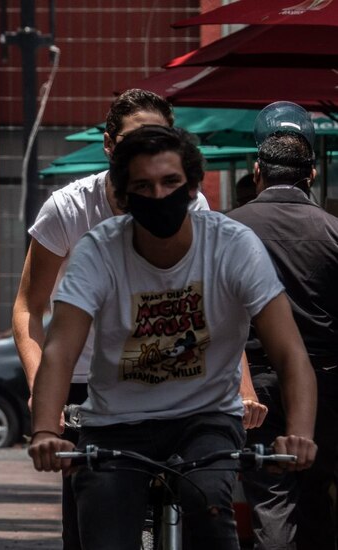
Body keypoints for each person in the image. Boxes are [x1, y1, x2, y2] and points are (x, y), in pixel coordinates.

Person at [28, 125, 318, 550]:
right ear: (122, 197)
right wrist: (43, 432)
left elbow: (290, 353)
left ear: (193, 187)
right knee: (100, 521)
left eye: (171, 182)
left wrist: (299, 433)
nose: (159, 195)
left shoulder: (234, 246)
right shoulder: (97, 251)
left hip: (205, 417)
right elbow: (60, 351)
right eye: (143, 186)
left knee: (210, 505)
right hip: (115, 424)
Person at [12, 89, 226, 549]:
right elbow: (29, 307)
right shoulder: (68, 209)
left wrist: (241, 388)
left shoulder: (193, 206)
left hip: (168, 374)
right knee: (92, 520)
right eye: (135, 140)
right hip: (85, 381)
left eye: (159, 139)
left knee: (206, 497)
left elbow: (217, 307)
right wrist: (40, 393)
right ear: (109, 145)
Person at [228, 102, 338, 549]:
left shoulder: (226, 230)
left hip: (255, 385)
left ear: (257, 170)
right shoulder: (333, 232)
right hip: (327, 386)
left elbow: (217, 318)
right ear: (310, 175)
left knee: (271, 499)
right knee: (316, 497)